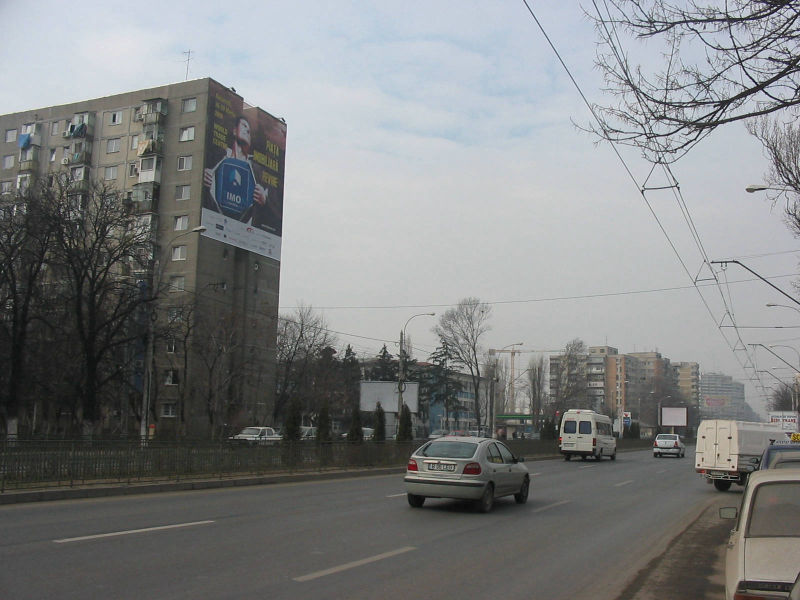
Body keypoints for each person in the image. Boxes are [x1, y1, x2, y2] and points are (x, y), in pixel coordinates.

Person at [203, 116, 269, 223]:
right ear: (234, 131)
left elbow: (271, 208)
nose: (247, 130)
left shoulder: (257, 170)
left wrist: (264, 199)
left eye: (250, 132)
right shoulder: (218, 155)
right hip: (212, 223)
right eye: (244, 126)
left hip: (243, 232)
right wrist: (202, 177)